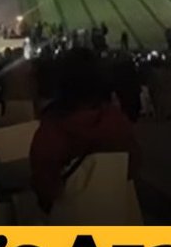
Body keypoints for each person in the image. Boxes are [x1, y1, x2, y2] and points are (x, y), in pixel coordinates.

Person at [30, 48, 139, 213]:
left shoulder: (51, 130)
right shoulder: (116, 121)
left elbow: (44, 187)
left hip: (68, 220)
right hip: (115, 216)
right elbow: (133, 166)